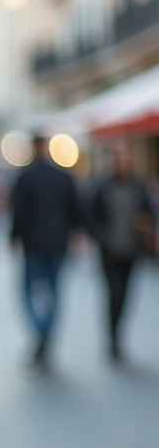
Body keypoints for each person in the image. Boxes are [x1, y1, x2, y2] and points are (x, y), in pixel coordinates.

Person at [10, 134, 83, 370]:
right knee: (53, 290)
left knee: (29, 291)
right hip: (58, 242)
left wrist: (13, 237)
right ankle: (46, 332)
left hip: (34, 243)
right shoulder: (63, 176)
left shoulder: (25, 177)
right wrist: (77, 234)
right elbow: (76, 209)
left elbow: (18, 212)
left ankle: (41, 331)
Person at [89, 145, 156, 362]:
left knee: (125, 296)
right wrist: (102, 237)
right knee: (114, 294)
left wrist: (148, 231)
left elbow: (148, 214)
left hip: (131, 250)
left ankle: (118, 334)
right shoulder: (104, 187)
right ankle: (113, 338)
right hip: (110, 251)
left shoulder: (138, 186)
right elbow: (92, 216)